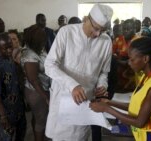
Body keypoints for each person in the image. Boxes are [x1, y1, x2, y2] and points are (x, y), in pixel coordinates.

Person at [44, 3, 113, 141]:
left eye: (102, 30)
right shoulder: (67, 33)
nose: (97, 34)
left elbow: (104, 72)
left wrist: (102, 85)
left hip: (84, 99)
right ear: (86, 18)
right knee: (60, 136)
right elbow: (49, 65)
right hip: (63, 96)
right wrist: (72, 85)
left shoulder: (106, 42)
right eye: (96, 29)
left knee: (80, 136)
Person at [90, 37, 151, 141]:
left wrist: (106, 109)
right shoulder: (148, 76)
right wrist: (109, 102)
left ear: (145, 59)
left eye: (132, 59)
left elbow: (140, 122)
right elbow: (137, 107)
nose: (129, 63)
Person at [0, 32, 26, 141]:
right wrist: (3, 116)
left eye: (10, 47)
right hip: (7, 111)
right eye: (5, 49)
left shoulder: (10, 59)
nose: (9, 50)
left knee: (21, 133)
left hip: (18, 106)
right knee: (7, 137)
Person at [21, 25, 50, 141]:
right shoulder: (29, 55)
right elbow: (33, 80)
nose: (44, 41)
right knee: (41, 120)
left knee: (37, 117)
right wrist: (45, 97)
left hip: (42, 88)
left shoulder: (39, 49)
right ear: (33, 40)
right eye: (41, 40)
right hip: (36, 91)